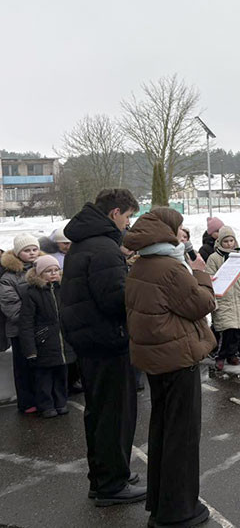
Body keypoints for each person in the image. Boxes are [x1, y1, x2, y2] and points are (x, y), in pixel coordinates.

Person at [123, 207, 215, 528]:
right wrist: (201, 275)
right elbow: (202, 304)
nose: (181, 234)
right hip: (178, 359)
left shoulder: (141, 265)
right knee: (182, 436)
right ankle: (179, 511)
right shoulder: (171, 269)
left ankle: (161, 505)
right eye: (178, 229)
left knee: (163, 431)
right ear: (166, 231)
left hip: (156, 360)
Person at [60, 189, 144, 506]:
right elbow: (114, 300)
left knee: (99, 412)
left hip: (90, 339)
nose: (128, 224)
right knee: (114, 415)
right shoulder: (104, 248)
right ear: (114, 214)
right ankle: (112, 484)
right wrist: (137, 285)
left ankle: (107, 475)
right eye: (127, 217)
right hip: (108, 341)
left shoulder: (85, 241)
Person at [20, 254, 75, 418]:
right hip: (43, 342)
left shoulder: (63, 289)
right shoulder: (32, 293)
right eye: (48, 271)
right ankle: (46, 405)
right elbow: (26, 323)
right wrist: (30, 349)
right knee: (43, 378)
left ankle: (61, 402)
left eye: (56, 270)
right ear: (39, 274)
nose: (53, 273)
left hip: (62, 342)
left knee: (61, 375)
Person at [1, 234, 41, 414]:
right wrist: (35, 317)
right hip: (19, 330)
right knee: (24, 367)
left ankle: (45, 398)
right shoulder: (9, 277)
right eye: (27, 250)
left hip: (42, 328)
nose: (32, 253)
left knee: (43, 365)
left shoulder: (44, 268)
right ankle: (27, 401)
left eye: (34, 249)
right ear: (18, 253)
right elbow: (11, 306)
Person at [205, 226, 240, 371]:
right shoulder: (214, 258)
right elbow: (209, 278)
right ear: (220, 242)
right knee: (226, 329)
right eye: (225, 241)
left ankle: (232, 354)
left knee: (238, 329)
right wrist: (214, 299)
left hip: (239, 298)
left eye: (231, 240)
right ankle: (220, 355)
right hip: (223, 299)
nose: (229, 244)